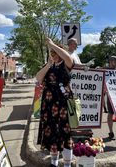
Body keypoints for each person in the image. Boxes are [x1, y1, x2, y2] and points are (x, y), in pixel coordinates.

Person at [36, 37, 74, 167]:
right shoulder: (49, 66)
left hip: (63, 104)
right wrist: (48, 64)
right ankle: (54, 163)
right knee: (51, 134)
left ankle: (67, 164)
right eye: (52, 53)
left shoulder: (66, 64)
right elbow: (39, 78)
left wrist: (52, 45)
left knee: (65, 134)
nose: (55, 56)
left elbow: (68, 57)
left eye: (57, 53)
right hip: (49, 105)